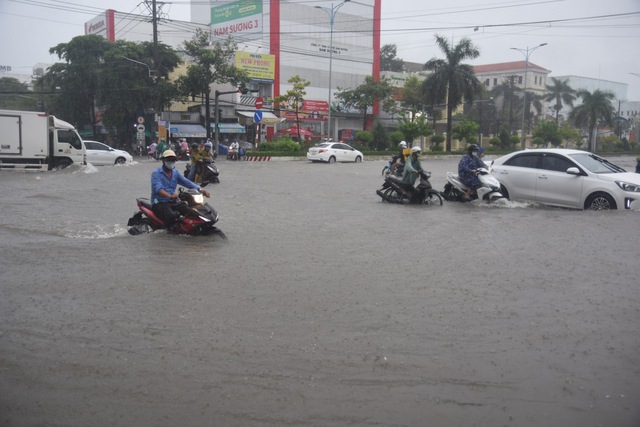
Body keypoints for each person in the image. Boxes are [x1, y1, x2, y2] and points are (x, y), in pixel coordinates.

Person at [151, 150, 210, 229]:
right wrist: (170, 196)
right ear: (164, 160)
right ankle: (166, 233)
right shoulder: (156, 173)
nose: (171, 162)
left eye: (173, 160)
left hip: (173, 201)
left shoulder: (175, 173)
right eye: (169, 159)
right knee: (171, 216)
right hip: (159, 203)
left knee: (191, 211)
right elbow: (158, 189)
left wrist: (200, 189)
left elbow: (187, 182)